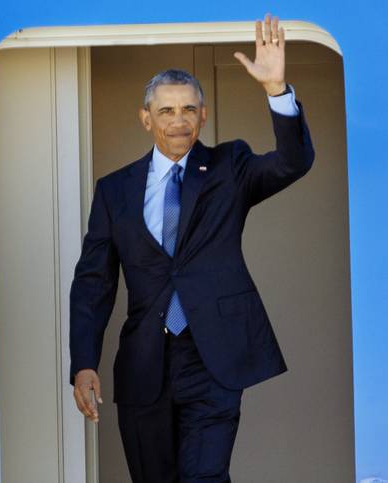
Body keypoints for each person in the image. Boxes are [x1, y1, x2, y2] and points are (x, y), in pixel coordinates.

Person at [69, 14, 314, 482]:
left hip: (213, 357)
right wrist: (83, 362)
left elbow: (291, 162)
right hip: (144, 364)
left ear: (203, 115)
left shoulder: (231, 165)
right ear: (146, 119)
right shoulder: (114, 190)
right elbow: (93, 282)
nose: (178, 121)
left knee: (205, 476)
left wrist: (277, 89)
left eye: (188, 110)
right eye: (166, 111)